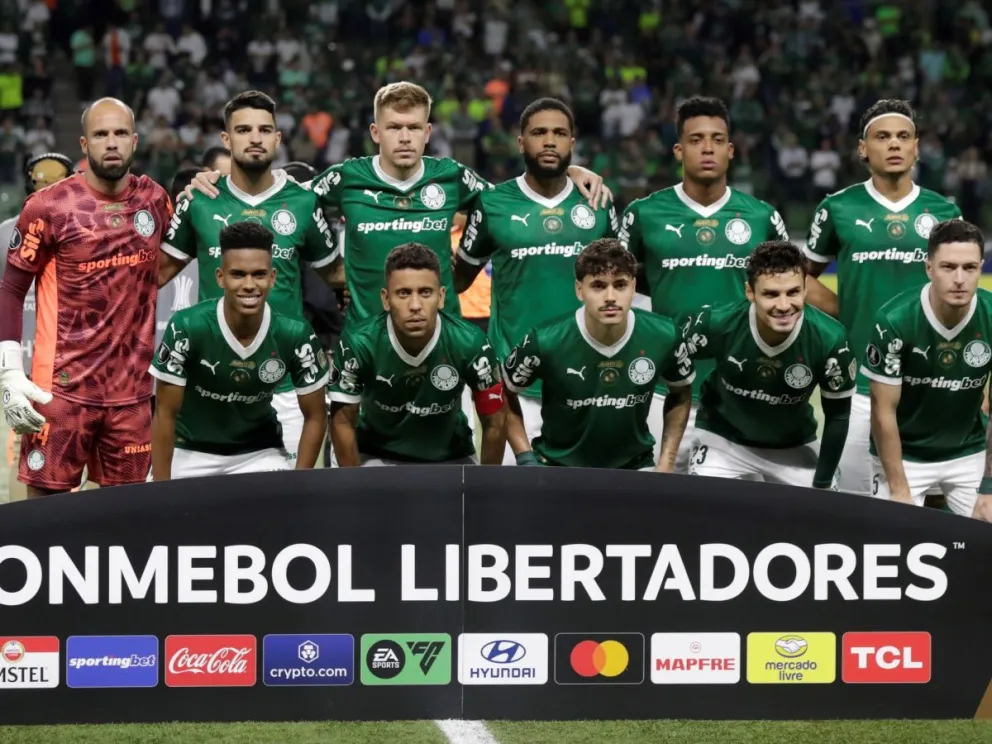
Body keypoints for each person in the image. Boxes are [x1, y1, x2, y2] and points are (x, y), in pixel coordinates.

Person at [184, 82, 610, 334]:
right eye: (393, 128)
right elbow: (283, 196)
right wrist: (215, 182)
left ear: (427, 132)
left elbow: (511, 199)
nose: (404, 137)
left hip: (441, 336)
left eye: (413, 128)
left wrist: (569, 171)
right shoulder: (346, 177)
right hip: (366, 338)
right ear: (376, 132)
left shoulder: (452, 176)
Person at [0, 97, 172, 496]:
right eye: (100, 134)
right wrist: (9, 371)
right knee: (44, 516)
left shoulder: (155, 200)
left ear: (134, 141)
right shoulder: (47, 206)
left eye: (120, 133)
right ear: (84, 143)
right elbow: (11, 289)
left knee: (127, 517)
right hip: (62, 393)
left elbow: (174, 258)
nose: (111, 143)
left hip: (132, 396)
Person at [157, 91, 340, 466]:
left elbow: (338, 276)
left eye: (264, 130)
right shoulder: (199, 199)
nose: (255, 138)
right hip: (210, 389)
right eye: (243, 130)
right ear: (226, 139)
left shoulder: (303, 202)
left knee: (284, 501)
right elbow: (154, 275)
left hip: (284, 388)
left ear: (277, 138)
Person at [619, 96, 789, 473]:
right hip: (665, 392)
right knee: (658, 500)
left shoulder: (762, 217)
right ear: (679, 151)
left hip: (743, 393)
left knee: (736, 506)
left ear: (731, 150)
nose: (707, 148)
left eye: (717, 139)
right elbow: (612, 285)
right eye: (696, 140)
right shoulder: (643, 214)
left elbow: (791, 292)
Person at [803, 100, 962, 495]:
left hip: (932, 382)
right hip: (861, 383)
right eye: (882, 136)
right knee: (861, 508)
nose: (894, 144)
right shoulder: (837, 208)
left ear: (916, 147)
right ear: (863, 148)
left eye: (903, 136)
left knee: (936, 498)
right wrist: (846, 311)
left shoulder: (944, 211)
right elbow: (798, 279)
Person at [453, 98, 619, 465]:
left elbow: (619, 291)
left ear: (572, 142)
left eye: (559, 133)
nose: (549, 141)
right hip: (515, 391)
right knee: (511, 497)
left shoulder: (598, 204)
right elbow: (456, 283)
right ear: (520, 142)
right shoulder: (492, 204)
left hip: (588, 383)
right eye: (539, 133)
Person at [150, 222, 329, 479]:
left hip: (258, 452)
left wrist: (299, 484)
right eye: (238, 274)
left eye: (259, 274)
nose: (249, 285)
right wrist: (161, 488)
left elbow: (316, 416)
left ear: (272, 277)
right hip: (189, 450)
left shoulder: (295, 334)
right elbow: (164, 413)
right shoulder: (186, 327)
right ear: (220, 277)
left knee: (282, 505)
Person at [503, 238, 694, 470]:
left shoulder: (666, 335)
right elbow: (504, 393)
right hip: (556, 468)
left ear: (634, 287)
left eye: (620, 285)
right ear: (579, 290)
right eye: (598, 286)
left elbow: (681, 394)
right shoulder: (544, 340)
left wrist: (667, 461)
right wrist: (524, 457)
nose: (610, 297)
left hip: (635, 467)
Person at [681, 241, 854, 487]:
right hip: (723, 440)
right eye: (771, 294)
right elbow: (671, 365)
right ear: (750, 292)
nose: (784, 306)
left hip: (794, 445)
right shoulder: (715, 323)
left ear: (806, 289)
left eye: (793, 292)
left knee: (822, 510)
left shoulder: (831, 339)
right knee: (709, 506)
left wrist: (823, 481)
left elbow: (838, 415)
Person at [328, 242, 505, 466]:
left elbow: (495, 421)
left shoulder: (471, 342)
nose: (415, 305)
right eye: (403, 293)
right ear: (385, 299)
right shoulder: (358, 343)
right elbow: (342, 421)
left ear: (441, 297)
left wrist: (486, 482)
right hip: (374, 454)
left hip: (451, 456)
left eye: (425, 293)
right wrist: (357, 483)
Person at [863, 219, 991, 517]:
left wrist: (988, 488)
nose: (959, 279)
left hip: (967, 452)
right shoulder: (894, 320)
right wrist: (899, 490)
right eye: (948, 267)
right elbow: (882, 412)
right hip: (904, 455)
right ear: (929, 268)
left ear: (981, 268)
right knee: (893, 532)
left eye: (969, 268)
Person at [0, 152, 76, 502]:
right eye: (41, 180)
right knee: (23, 460)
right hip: (23, 366)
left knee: (45, 460)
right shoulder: (6, 234)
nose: (47, 187)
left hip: (59, 368)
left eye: (55, 180)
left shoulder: (80, 231)